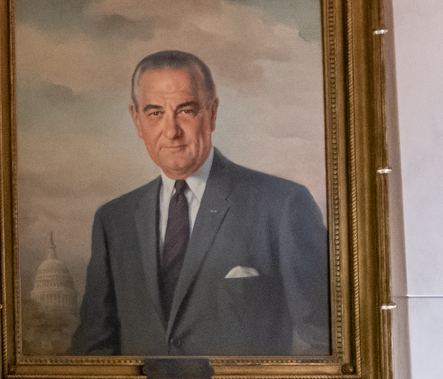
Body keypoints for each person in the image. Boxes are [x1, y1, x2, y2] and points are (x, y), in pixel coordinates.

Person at [69, 49, 329, 358]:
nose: (171, 130)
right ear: (136, 119)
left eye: (185, 110)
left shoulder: (283, 205)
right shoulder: (114, 220)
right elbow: (93, 352)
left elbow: (327, 343)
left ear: (212, 112)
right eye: (155, 113)